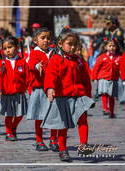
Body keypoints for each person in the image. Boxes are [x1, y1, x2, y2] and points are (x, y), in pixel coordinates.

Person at [42, 31, 94, 162]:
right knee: (63, 125)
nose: (72, 47)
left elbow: (86, 79)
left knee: (83, 120)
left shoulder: (79, 61)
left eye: (75, 44)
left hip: (79, 96)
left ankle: (84, 145)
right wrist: (50, 88)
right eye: (69, 44)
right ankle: (63, 150)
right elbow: (50, 76)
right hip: (62, 97)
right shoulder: (56, 59)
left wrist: (88, 95)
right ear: (60, 44)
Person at [27, 27, 58, 151]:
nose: (46, 40)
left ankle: (53, 139)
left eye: (48, 38)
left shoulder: (54, 52)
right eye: (42, 38)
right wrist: (37, 65)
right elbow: (31, 64)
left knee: (54, 115)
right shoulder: (35, 52)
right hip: (39, 89)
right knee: (39, 116)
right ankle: (39, 140)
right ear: (35, 40)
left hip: (53, 88)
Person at [0, 36, 29, 141]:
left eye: (10, 47)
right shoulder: (1, 63)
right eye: (5, 48)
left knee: (19, 114)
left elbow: (28, 76)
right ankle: (9, 133)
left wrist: (29, 87)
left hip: (19, 93)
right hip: (6, 94)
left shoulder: (22, 62)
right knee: (9, 115)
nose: (7, 50)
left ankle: (13, 128)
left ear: (17, 47)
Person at [92, 38, 121, 118]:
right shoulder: (101, 57)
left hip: (113, 79)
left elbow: (121, 68)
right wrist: (94, 77)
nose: (112, 47)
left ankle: (111, 112)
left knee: (112, 95)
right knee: (105, 93)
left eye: (113, 46)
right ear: (106, 47)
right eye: (110, 46)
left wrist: (123, 77)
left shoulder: (118, 57)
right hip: (103, 78)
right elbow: (96, 68)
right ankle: (105, 108)